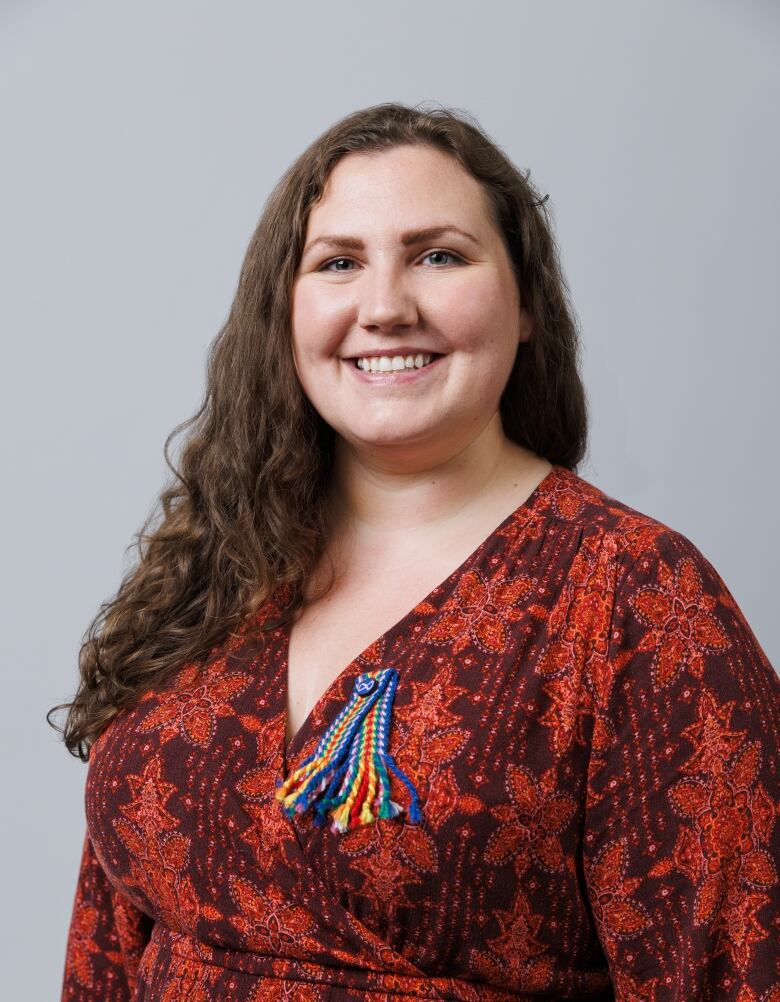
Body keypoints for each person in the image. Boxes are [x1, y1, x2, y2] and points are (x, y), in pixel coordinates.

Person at [51, 102, 779, 1001]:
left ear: (527, 308)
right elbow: (110, 936)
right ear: (284, 307)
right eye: (339, 263)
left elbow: (730, 976)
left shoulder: (634, 597)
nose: (386, 307)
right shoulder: (217, 561)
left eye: (440, 255)